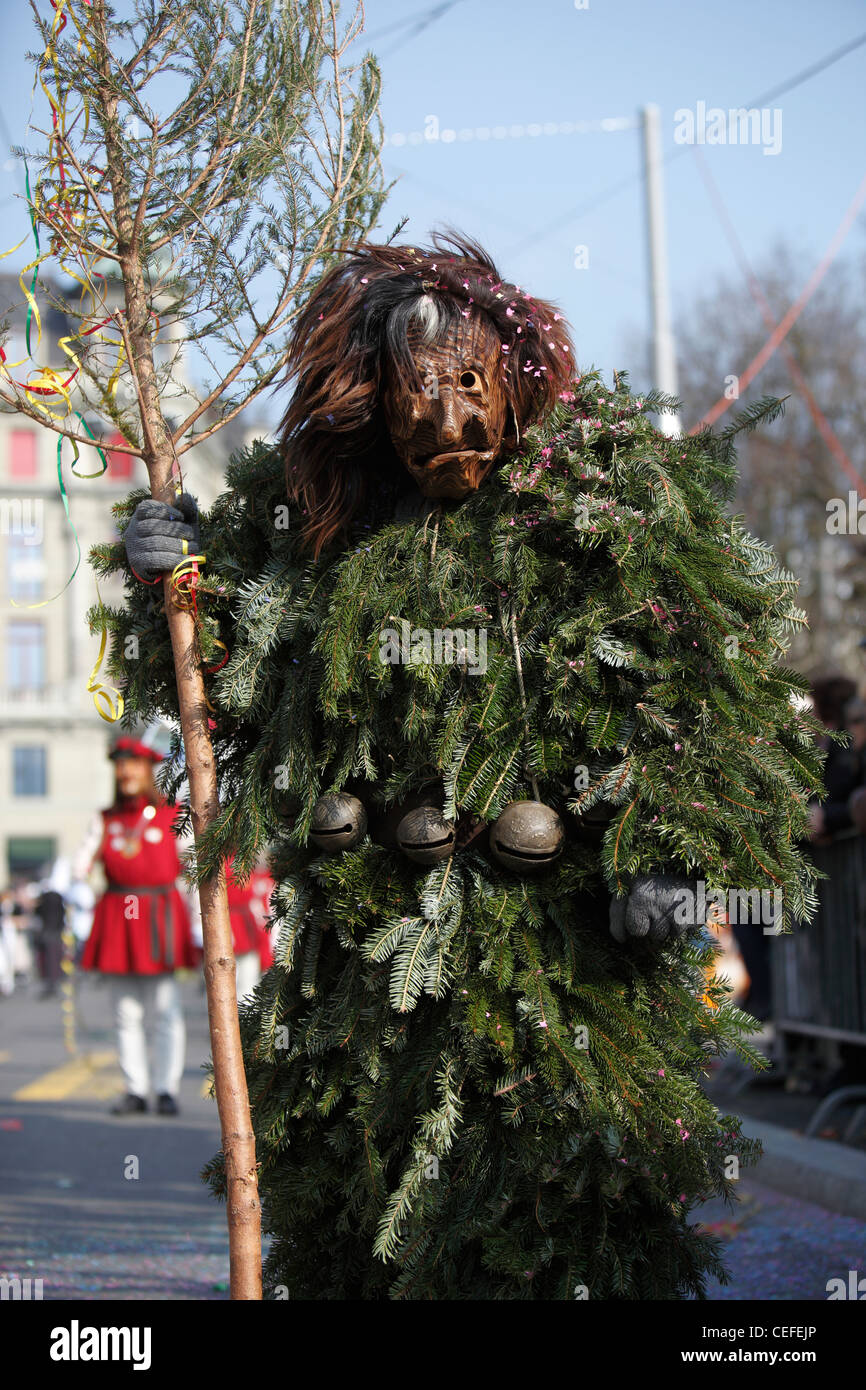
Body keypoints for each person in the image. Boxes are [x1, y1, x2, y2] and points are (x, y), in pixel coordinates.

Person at [73, 733, 198, 1115]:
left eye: (134, 764)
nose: (126, 771)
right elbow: (80, 868)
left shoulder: (173, 814)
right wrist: (90, 888)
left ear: (149, 770)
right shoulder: (105, 820)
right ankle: (135, 1088)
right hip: (119, 914)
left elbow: (192, 870)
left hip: (160, 914)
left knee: (165, 1007)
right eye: (120, 765)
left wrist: (196, 928)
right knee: (125, 1011)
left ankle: (165, 1088)